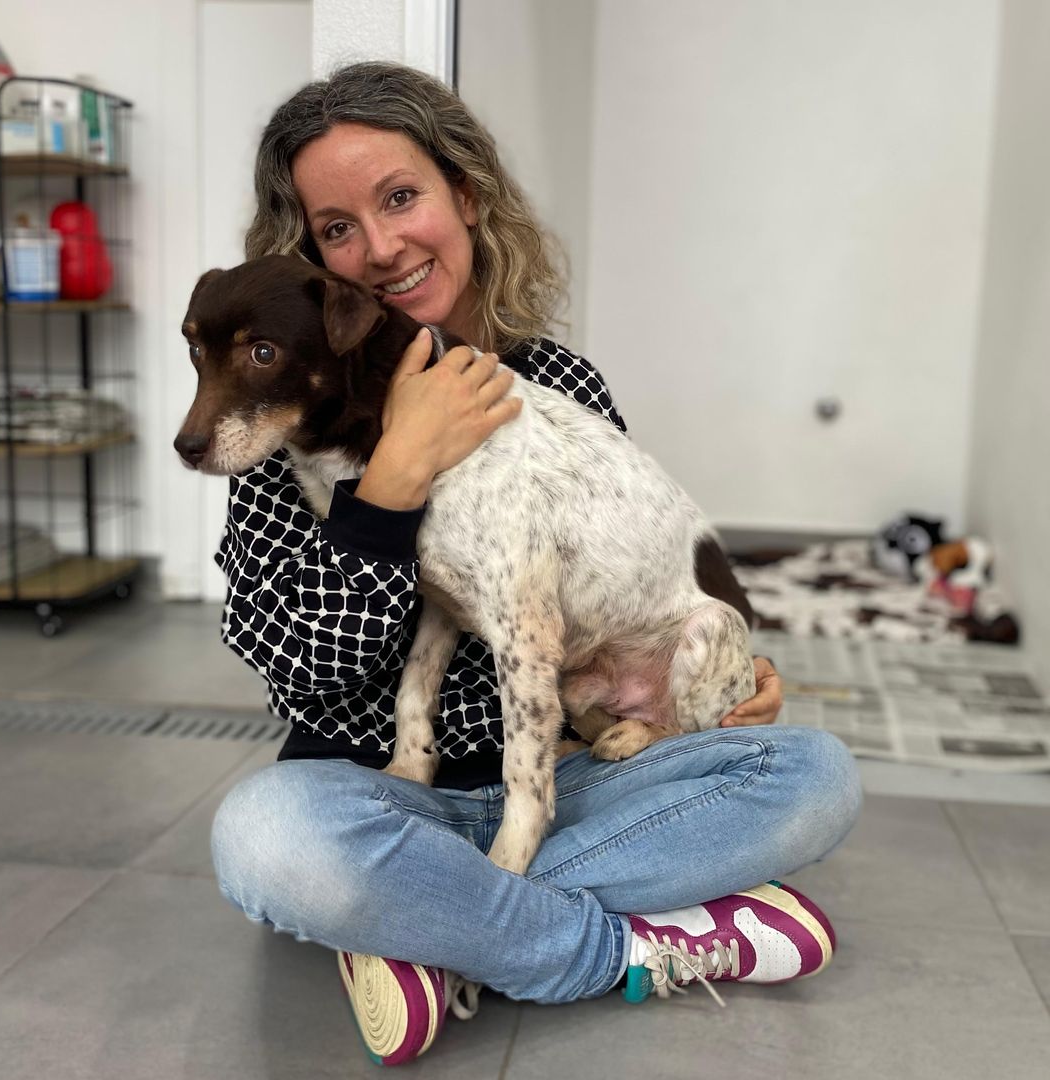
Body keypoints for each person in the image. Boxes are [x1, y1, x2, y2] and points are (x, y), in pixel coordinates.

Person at [210, 61, 862, 1066]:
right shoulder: (286, 411)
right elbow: (298, 667)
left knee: (816, 776)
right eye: (338, 228)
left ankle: (434, 930)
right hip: (379, 789)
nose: (381, 248)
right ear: (313, 260)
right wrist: (393, 481)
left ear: (463, 197)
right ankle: (620, 946)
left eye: (401, 197)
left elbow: (634, 567)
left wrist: (729, 680)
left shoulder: (553, 380)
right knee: (263, 837)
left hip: (578, 770)